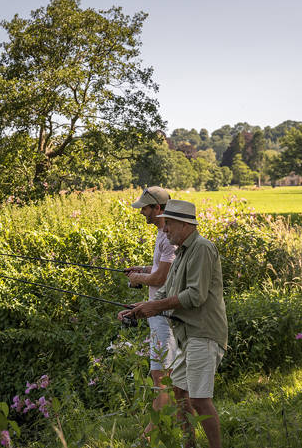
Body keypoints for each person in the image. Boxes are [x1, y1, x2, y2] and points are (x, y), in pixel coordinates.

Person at [119, 199, 227, 448]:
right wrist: (135, 311)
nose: (164, 228)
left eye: (168, 223)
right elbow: (164, 291)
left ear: (184, 224)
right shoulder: (181, 253)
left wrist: (155, 307)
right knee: (178, 393)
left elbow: (195, 296)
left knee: (200, 399)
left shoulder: (202, 248)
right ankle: (190, 444)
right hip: (188, 336)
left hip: (204, 334)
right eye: (164, 223)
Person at [123, 186, 177, 431]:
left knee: (161, 378)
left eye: (145, 208)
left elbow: (162, 278)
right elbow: (158, 271)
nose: (141, 212)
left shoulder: (170, 236)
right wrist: (141, 270)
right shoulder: (161, 233)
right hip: (156, 314)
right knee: (161, 376)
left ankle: (151, 435)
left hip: (165, 315)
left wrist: (138, 279)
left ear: (157, 207)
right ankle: (172, 425)